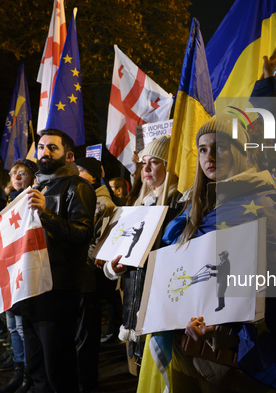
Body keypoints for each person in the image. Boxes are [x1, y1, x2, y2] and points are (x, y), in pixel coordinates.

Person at [138, 113, 276, 393]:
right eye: (203, 149)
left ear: (240, 152)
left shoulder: (263, 206)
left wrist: (220, 327)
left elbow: (275, 286)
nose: (210, 156)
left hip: (230, 355)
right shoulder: (195, 206)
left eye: (220, 147)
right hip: (187, 344)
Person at [22, 129, 96, 393]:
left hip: (57, 289)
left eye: (52, 147)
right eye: (41, 147)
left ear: (68, 155)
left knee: (58, 369)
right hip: (30, 288)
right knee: (37, 368)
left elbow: (82, 234)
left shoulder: (79, 187)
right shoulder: (36, 187)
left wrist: (45, 214)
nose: (45, 152)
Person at [102, 135, 183, 369]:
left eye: (155, 162)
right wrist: (112, 267)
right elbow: (120, 252)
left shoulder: (179, 204)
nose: (145, 169)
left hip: (160, 306)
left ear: (171, 166)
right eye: (143, 162)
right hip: (133, 304)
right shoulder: (137, 204)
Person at [0, 158, 38, 393]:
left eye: (23, 173)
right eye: (14, 173)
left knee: (21, 327)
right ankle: (18, 373)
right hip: (7, 270)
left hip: (23, 271)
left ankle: (30, 377)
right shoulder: (8, 202)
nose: (18, 176)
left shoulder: (35, 199)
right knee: (12, 326)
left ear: (33, 177)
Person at [74, 156, 117, 393]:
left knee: (86, 335)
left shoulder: (102, 204)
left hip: (88, 274)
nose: (77, 173)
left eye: (81, 170)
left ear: (93, 175)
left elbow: (100, 243)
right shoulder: (86, 196)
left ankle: (87, 383)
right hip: (81, 274)